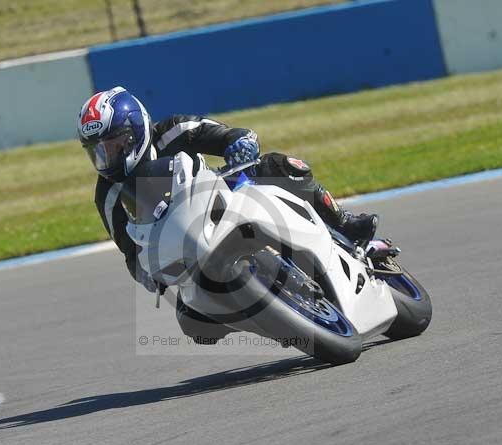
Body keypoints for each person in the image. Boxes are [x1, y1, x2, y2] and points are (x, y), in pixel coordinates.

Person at [78, 86, 378, 293]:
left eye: (114, 146)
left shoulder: (174, 131)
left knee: (282, 165)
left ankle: (343, 223)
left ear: (136, 131)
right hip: (185, 251)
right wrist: (149, 277)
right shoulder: (107, 195)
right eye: (99, 152)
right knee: (193, 321)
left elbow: (229, 136)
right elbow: (130, 254)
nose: (108, 158)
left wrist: (240, 144)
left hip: (220, 200)